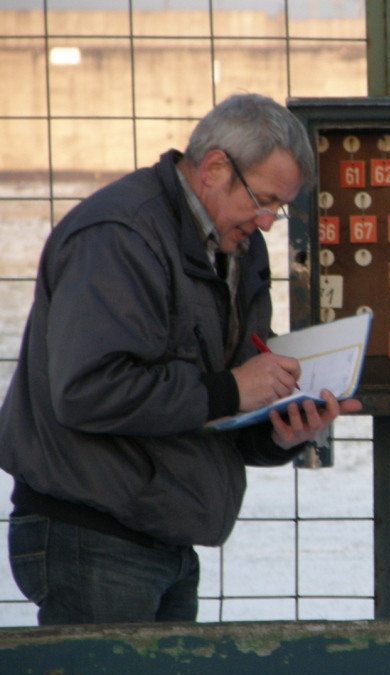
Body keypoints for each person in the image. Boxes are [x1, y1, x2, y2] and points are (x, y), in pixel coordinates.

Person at [1, 93, 361, 625]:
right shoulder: (120, 235)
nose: (267, 222)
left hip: (166, 534)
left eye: (278, 209)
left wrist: (278, 430)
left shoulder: (237, 246)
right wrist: (234, 389)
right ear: (215, 168)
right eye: (263, 200)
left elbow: (223, 394)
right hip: (93, 534)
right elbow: (89, 391)